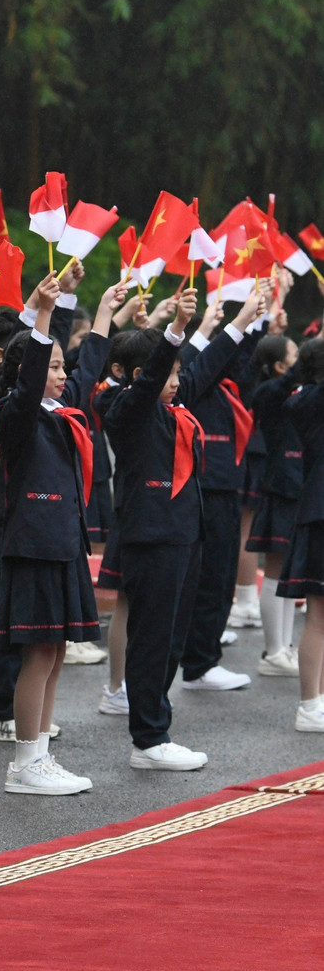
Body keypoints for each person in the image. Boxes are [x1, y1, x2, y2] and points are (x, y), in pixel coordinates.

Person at [102, 287, 265, 772]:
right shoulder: (125, 408)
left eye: (176, 375)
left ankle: (155, 728)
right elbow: (155, 377)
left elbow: (205, 367)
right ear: (136, 375)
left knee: (172, 638)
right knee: (152, 638)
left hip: (184, 534)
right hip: (152, 536)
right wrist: (175, 331)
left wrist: (241, 322)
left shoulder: (174, 401)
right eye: (168, 373)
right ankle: (148, 738)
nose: (177, 381)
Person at [0, 274, 96, 795]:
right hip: (32, 544)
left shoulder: (60, 411)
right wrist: (44, 315)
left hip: (61, 542)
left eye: (60, 365)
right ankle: (23, 763)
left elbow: (77, 372)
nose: (61, 372)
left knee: (54, 651)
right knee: (37, 653)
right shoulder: (13, 412)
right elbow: (29, 382)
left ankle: (41, 753)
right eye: (52, 365)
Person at [173, 293, 262, 691]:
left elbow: (242, 360)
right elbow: (201, 362)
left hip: (225, 484)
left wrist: (256, 321)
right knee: (208, 577)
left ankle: (203, 656)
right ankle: (199, 663)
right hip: (206, 484)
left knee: (221, 575)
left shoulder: (227, 384)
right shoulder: (195, 376)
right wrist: (228, 324)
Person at [247, 334, 304, 677]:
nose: (302, 359)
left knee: (288, 572)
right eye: (296, 355)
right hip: (280, 488)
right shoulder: (267, 393)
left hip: (298, 487)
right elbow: (289, 381)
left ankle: (284, 648)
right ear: (280, 366)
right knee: (275, 568)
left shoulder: (296, 393)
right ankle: (273, 650)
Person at [279, 336, 324, 733]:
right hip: (321, 515)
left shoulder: (305, 399)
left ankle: (318, 700)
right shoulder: (310, 401)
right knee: (318, 616)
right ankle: (310, 704)